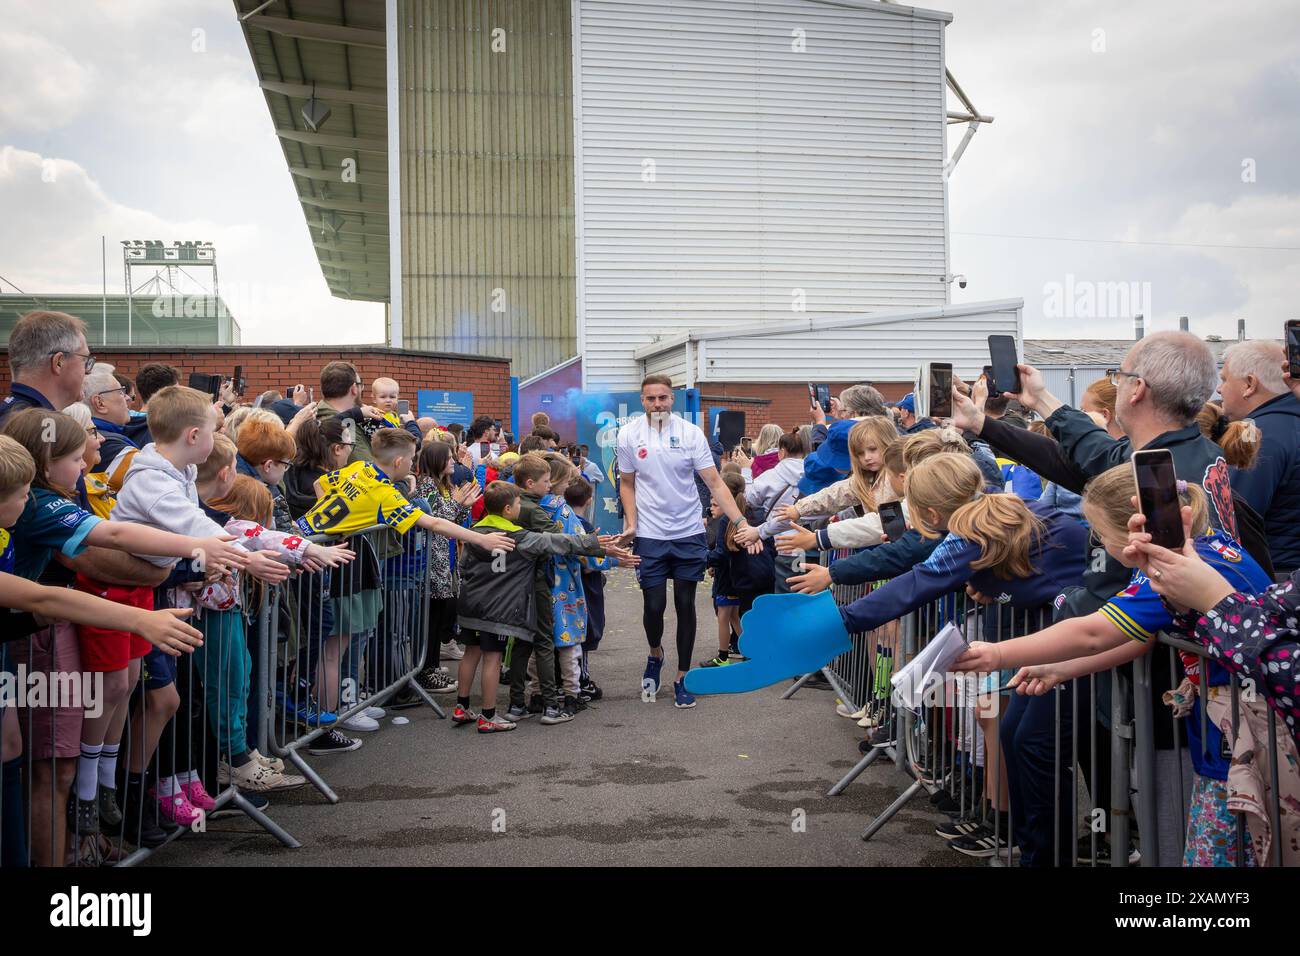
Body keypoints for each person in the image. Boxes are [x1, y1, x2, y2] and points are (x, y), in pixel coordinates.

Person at [955, 463, 1273, 867]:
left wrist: (998, 654)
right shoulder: (1201, 547)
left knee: (1219, 850)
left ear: (1129, 529)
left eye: (1100, 534)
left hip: (1241, 734)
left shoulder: (1173, 569)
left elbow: (1093, 631)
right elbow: (1137, 637)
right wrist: (1061, 669)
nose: (1099, 544)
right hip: (1236, 724)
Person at [616, 374, 749, 709]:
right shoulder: (629, 434)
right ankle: (655, 653)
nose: (657, 404)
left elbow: (716, 482)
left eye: (663, 398)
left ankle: (682, 677)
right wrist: (631, 522)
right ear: (642, 401)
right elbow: (627, 484)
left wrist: (740, 520)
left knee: (686, 605)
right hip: (649, 535)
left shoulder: (690, 434)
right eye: (650, 399)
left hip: (688, 532)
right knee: (654, 606)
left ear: (672, 399)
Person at [451, 481, 621, 732]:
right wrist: (593, 543)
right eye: (519, 504)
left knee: (470, 653)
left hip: (470, 604)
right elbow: (556, 542)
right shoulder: (521, 537)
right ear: (508, 509)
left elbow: (464, 567)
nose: (522, 507)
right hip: (497, 609)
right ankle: (488, 716)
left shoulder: (475, 534)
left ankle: (461, 706)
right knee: (493, 658)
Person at [1216, 340, 1300, 574]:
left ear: (1250, 384)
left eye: (1224, 379)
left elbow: (1233, 521)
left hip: (1273, 581)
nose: (1219, 389)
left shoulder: (1256, 435)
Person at [411, 440, 481, 695]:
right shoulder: (427, 485)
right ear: (437, 461)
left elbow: (456, 518)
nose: (453, 461)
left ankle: (432, 665)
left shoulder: (444, 485)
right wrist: (458, 504)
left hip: (447, 558)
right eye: (449, 457)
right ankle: (426, 669)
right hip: (433, 561)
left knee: (441, 614)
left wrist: (464, 505)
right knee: (432, 617)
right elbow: (437, 519)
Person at [0, 311, 92, 428]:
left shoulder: (13, 417)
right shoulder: (38, 431)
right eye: (84, 360)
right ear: (59, 362)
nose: (88, 371)